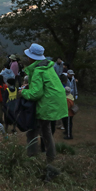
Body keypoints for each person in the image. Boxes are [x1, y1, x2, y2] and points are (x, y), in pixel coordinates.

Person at [21, 43, 68, 179]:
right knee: (46, 130)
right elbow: (46, 85)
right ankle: (51, 158)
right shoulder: (47, 67)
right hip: (55, 103)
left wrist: (23, 92)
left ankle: (32, 160)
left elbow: (36, 94)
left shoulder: (37, 70)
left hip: (46, 104)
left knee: (33, 131)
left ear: (32, 58)